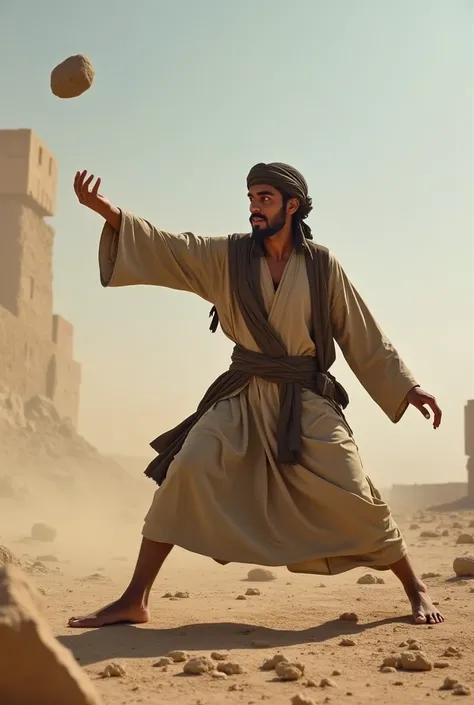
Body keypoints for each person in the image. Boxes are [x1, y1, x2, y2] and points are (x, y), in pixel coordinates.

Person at [68, 163, 443, 629]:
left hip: (304, 399)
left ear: (292, 205)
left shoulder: (323, 265)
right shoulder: (227, 257)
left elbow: (361, 331)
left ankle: (415, 587)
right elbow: (168, 246)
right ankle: (134, 598)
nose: (253, 207)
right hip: (242, 395)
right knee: (187, 467)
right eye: (250, 198)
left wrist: (407, 387)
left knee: (351, 486)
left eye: (264, 198)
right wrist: (106, 210)